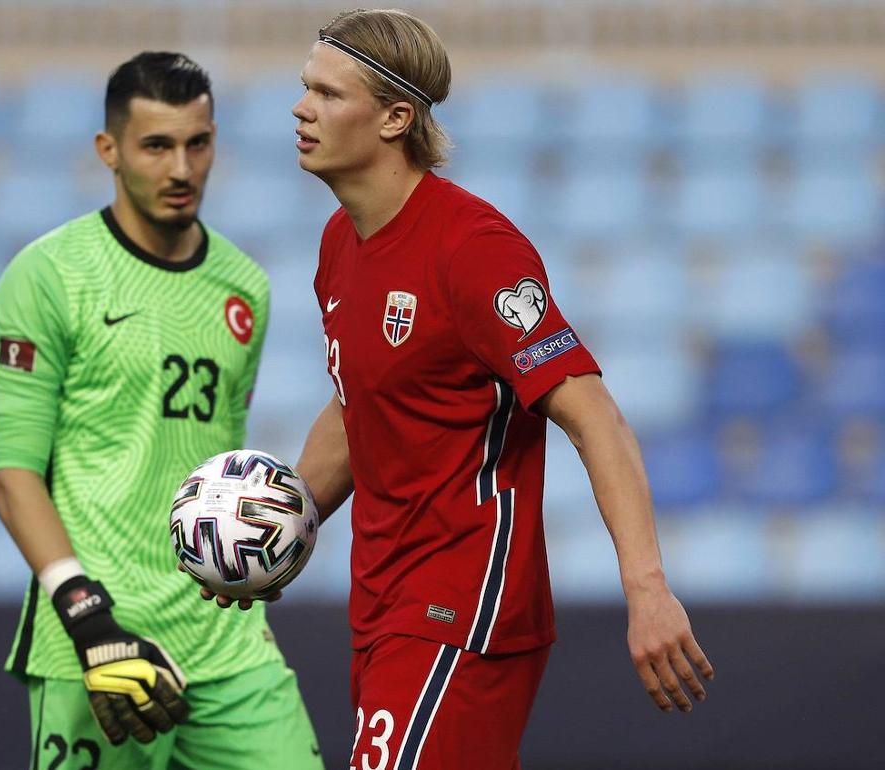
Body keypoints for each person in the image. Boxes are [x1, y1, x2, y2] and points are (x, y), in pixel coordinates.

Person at [227, 9, 714, 768]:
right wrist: (278, 528)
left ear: (395, 117)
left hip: (465, 603)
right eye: (304, 89)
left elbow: (595, 416)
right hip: (386, 605)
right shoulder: (338, 244)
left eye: (326, 93)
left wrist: (648, 588)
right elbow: (362, 401)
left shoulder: (474, 250)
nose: (301, 107)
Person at [0, 51, 322, 770]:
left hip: (227, 644)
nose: (181, 168)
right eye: (156, 146)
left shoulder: (244, 288)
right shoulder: (48, 277)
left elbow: (218, 457)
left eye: (198, 144)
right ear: (109, 150)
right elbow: (15, 479)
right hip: (100, 644)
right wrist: (85, 616)